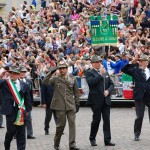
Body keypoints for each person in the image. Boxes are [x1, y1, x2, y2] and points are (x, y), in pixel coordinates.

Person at [42, 60, 80, 150]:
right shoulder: (55, 79)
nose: (62, 70)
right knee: (60, 126)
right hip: (60, 106)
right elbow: (44, 82)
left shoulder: (72, 78)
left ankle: (72, 145)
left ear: (67, 69)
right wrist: (51, 72)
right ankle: (56, 143)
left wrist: (77, 103)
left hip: (71, 105)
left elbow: (76, 92)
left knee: (72, 125)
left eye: (63, 68)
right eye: (60, 69)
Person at [85, 55, 115, 147]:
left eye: (99, 62)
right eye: (97, 62)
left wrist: (108, 91)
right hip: (95, 101)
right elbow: (91, 82)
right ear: (93, 63)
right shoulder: (89, 72)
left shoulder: (105, 71)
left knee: (107, 120)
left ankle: (107, 140)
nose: (99, 63)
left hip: (106, 100)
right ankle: (92, 138)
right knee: (96, 120)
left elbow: (111, 84)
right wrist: (100, 75)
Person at [0, 66, 32, 150]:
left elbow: (27, 98)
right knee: (11, 131)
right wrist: (0, 76)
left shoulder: (24, 85)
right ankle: (7, 145)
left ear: (18, 75)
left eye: (15, 74)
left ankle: (21, 148)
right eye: (11, 73)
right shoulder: (5, 83)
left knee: (21, 132)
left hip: (21, 110)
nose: (13, 75)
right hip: (10, 111)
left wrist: (28, 110)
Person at [122, 54, 150, 141]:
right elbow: (124, 70)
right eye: (140, 61)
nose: (142, 63)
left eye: (144, 61)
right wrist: (131, 62)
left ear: (147, 62)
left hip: (149, 95)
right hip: (139, 96)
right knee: (139, 116)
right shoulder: (135, 70)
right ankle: (137, 134)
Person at [19, 66, 36, 139]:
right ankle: (16, 134)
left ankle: (29, 134)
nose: (22, 73)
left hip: (27, 103)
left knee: (28, 118)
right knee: (18, 118)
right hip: (19, 103)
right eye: (21, 72)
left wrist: (31, 103)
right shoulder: (16, 82)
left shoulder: (29, 81)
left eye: (24, 72)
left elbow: (30, 93)